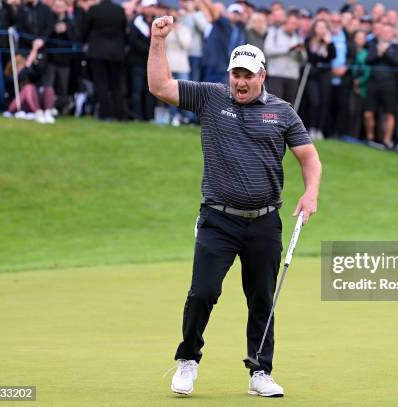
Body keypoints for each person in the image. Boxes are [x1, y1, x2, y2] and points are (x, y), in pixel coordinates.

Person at [147, 16, 322, 398]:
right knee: (203, 292)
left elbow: (309, 158)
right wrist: (157, 41)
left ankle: (260, 372)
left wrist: (311, 194)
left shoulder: (282, 112)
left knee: (262, 298)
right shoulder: (211, 97)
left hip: (264, 222)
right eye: (235, 74)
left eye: (247, 75)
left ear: (263, 75)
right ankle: (188, 360)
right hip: (217, 219)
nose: (240, 82)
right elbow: (160, 86)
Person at [81, 0, 128, 120]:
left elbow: (85, 29)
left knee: (101, 83)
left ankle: (105, 114)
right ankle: (120, 114)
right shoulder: (119, 10)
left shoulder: (94, 10)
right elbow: (123, 30)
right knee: (116, 85)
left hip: (97, 51)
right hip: (116, 52)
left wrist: (85, 41)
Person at [365, 23, 398, 146]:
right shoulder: (373, 45)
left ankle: (387, 140)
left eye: (389, 32)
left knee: (389, 114)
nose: (386, 34)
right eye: (384, 31)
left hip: (389, 84)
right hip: (373, 83)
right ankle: (370, 138)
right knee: (368, 113)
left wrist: (385, 52)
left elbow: (397, 62)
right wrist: (378, 52)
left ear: (392, 34)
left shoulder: (396, 47)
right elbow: (368, 60)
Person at [303, 18, 336, 140]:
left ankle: (319, 129)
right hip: (312, 75)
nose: (321, 30)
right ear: (314, 28)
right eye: (319, 27)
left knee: (324, 102)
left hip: (325, 75)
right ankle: (311, 127)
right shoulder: (309, 41)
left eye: (323, 27)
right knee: (314, 101)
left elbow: (333, 55)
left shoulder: (328, 42)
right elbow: (310, 57)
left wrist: (328, 43)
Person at [263, 10, 305, 104]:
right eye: (292, 23)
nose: (294, 26)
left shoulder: (298, 37)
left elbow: (303, 58)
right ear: (286, 22)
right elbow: (268, 50)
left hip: (292, 76)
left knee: (290, 106)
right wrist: (288, 49)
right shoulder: (274, 33)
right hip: (276, 75)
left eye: (296, 24)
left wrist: (300, 52)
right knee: (275, 104)